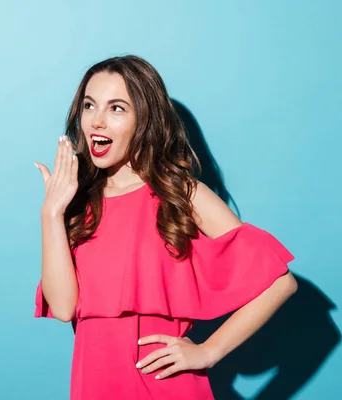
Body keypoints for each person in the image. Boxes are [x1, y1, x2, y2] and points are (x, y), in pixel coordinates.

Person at [32, 55, 298, 399]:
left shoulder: (182, 194)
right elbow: (64, 307)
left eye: (116, 108)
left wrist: (209, 350)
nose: (97, 121)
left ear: (144, 119)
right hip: (93, 387)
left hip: (166, 388)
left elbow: (280, 283)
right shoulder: (76, 204)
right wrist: (51, 213)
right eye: (89, 105)